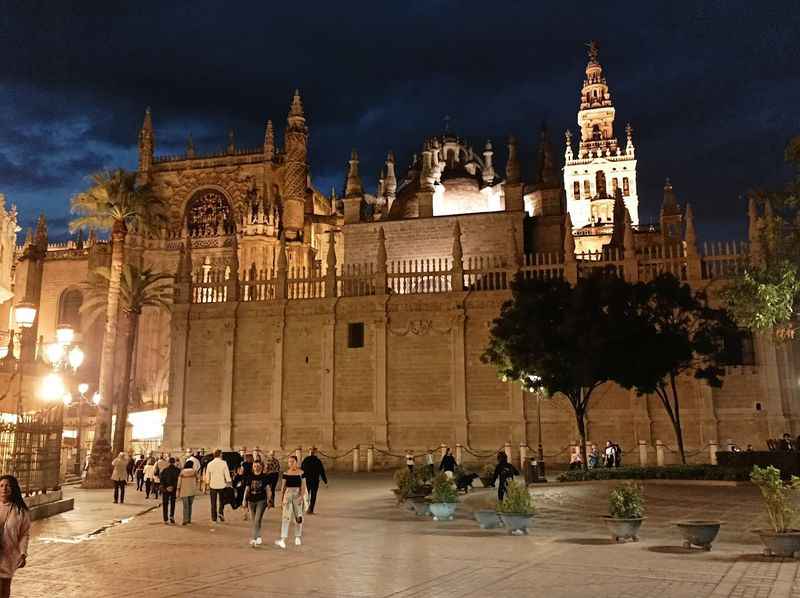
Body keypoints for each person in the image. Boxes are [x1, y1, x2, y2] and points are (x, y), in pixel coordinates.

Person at [0, 475, 30, 598]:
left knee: (4, 589)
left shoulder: (21, 511)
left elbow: (24, 534)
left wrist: (23, 553)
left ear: (13, 489)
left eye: (8, 486)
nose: (4, 489)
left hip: (8, 556)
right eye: (1, 486)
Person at [275, 455, 307, 549]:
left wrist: (301, 497)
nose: (291, 463)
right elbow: (283, 487)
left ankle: (297, 537)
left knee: (298, 517)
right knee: (285, 517)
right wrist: (281, 500)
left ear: (296, 462)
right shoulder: (286, 473)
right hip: (288, 495)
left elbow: (303, 486)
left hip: (297, 495)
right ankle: (283, 539)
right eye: (289, 462)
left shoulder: (301, 473)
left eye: (292, 461)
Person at [244, 461, 270, 546]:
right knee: (255, 520)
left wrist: (269, 500)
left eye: (258, 466)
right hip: (251, 501)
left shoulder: (264, 477)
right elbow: (247, 489)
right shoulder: (250, 477)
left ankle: (254, 539)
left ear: (261, 467)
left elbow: (268, 489)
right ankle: (259, 537)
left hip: (261, 500)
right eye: (254, 466)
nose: (256, 467)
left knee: (257, 519)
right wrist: (244, 500)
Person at [206, 449, 232, 522]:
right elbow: (227, 474)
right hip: (222, 485)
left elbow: (207, 475)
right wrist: (229, 482)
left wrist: (207, 482)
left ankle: (214, 518)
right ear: (220, 454)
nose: (222, 455)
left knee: (213, 502)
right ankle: (220, 513)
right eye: (222, 454)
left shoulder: (210, 464)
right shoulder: (224, 463)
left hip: (213, 485)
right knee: (222, 501)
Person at [301, 447, 328, 515]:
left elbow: (302, 470)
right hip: (315, 480)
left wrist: (301, 478)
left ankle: (306, 508)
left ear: (309, 453)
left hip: (307, 480)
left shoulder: (305, 460)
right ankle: (311, 509)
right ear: (315, 453)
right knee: (313, 495)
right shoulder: (318, 461)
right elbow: (322, 471)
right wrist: (325, 481)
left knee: (306, 494)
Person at [159, 457, 180, 524]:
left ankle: (165, 519)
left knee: (165, 504)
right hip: (173, 489)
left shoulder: (165, 470)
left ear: (168, 462)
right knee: (172, 503)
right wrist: (173, 487)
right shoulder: (177, 470)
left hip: (166, 489)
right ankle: (172, 516)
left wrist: (166, 488)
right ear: (174, 462)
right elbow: (178, 480)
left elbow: (161, 480)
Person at [176, 461, 198, 525]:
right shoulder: (194, 471)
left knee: (185, 506)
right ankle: (189, 519)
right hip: (192, 490)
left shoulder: (182, 472)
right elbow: (198, 479)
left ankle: (185, 520)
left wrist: (178, 489)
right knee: (190, 505)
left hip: (184, 490)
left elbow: (179, 481)